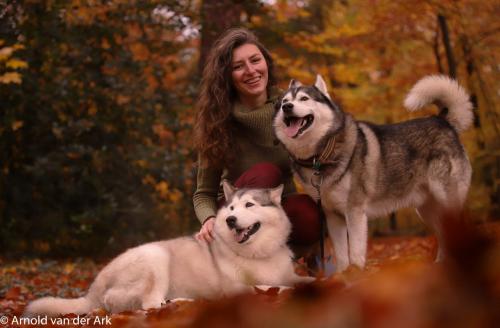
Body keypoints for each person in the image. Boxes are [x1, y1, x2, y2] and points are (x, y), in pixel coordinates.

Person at [193, 27, 320, 252]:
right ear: (227, 77)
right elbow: (204, 193)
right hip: (234, 216)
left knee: (310, 212)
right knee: (266, 172)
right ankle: (245, 266)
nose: (251, 71)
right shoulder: (217, 122)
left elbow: (320, 162)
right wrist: (208, 219)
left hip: (279, 210)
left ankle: (294, 260)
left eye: (255, 60)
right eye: (238, 67)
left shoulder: (291, 107)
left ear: (266, 63)